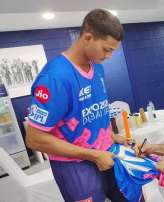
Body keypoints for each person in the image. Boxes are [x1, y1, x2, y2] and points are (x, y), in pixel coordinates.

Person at [26, 9, 128, 202]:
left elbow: (90, 112)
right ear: (88, 38)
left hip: (106, 154)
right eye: (107, 49)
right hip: (75, 167)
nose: (110, 56)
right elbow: (34, 139)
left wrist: (111, 135)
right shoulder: (55, 78)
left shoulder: (97, 67)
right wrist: (93, 155)